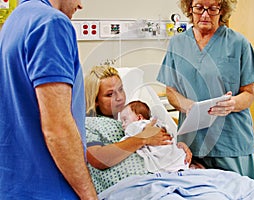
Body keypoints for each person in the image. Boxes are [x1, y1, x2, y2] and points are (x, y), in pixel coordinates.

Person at [0, 0, 97, 199]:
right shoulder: (51, 24)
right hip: (48, 188)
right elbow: (58, 128)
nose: (80, 5)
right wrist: (89, 195)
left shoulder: (13, 22)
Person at [156, 0, 254, 180]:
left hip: (230, 142)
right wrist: (187, 105)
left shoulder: (238, 43)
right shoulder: (177, 44)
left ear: (222, 10)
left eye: (213, 8)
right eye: (199, 8)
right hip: (192, 143)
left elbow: (249, 94)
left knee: (236, 192)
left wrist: (233, 103)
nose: (205, 15)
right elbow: (171, 90)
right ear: (190, 8)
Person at [84, 65, 192, 193]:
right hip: (133, 189)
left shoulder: (134, 115)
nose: (119, 97)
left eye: (121, 89)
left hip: (164, 179)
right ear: (95, 100)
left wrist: (176, 147)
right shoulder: (89, 124)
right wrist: (142, 138)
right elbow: (98, 159)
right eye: (110, 94)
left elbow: (158, 142)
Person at [119, 100, 189, 173]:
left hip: (160, 154)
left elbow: (126, 142)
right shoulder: (157, 123)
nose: (122, 125)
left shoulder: (136, 125)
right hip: (171, 151)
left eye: (125, 120)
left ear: (139, 118)